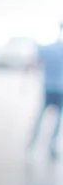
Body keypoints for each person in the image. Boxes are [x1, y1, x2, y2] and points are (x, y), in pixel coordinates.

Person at [28, 24, 63, 159]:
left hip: (48, 87)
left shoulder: (48, 49)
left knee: (41, 116)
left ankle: (32, 143)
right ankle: (52, 146)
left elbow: (35, 63)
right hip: (60, 89)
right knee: (57, 119)